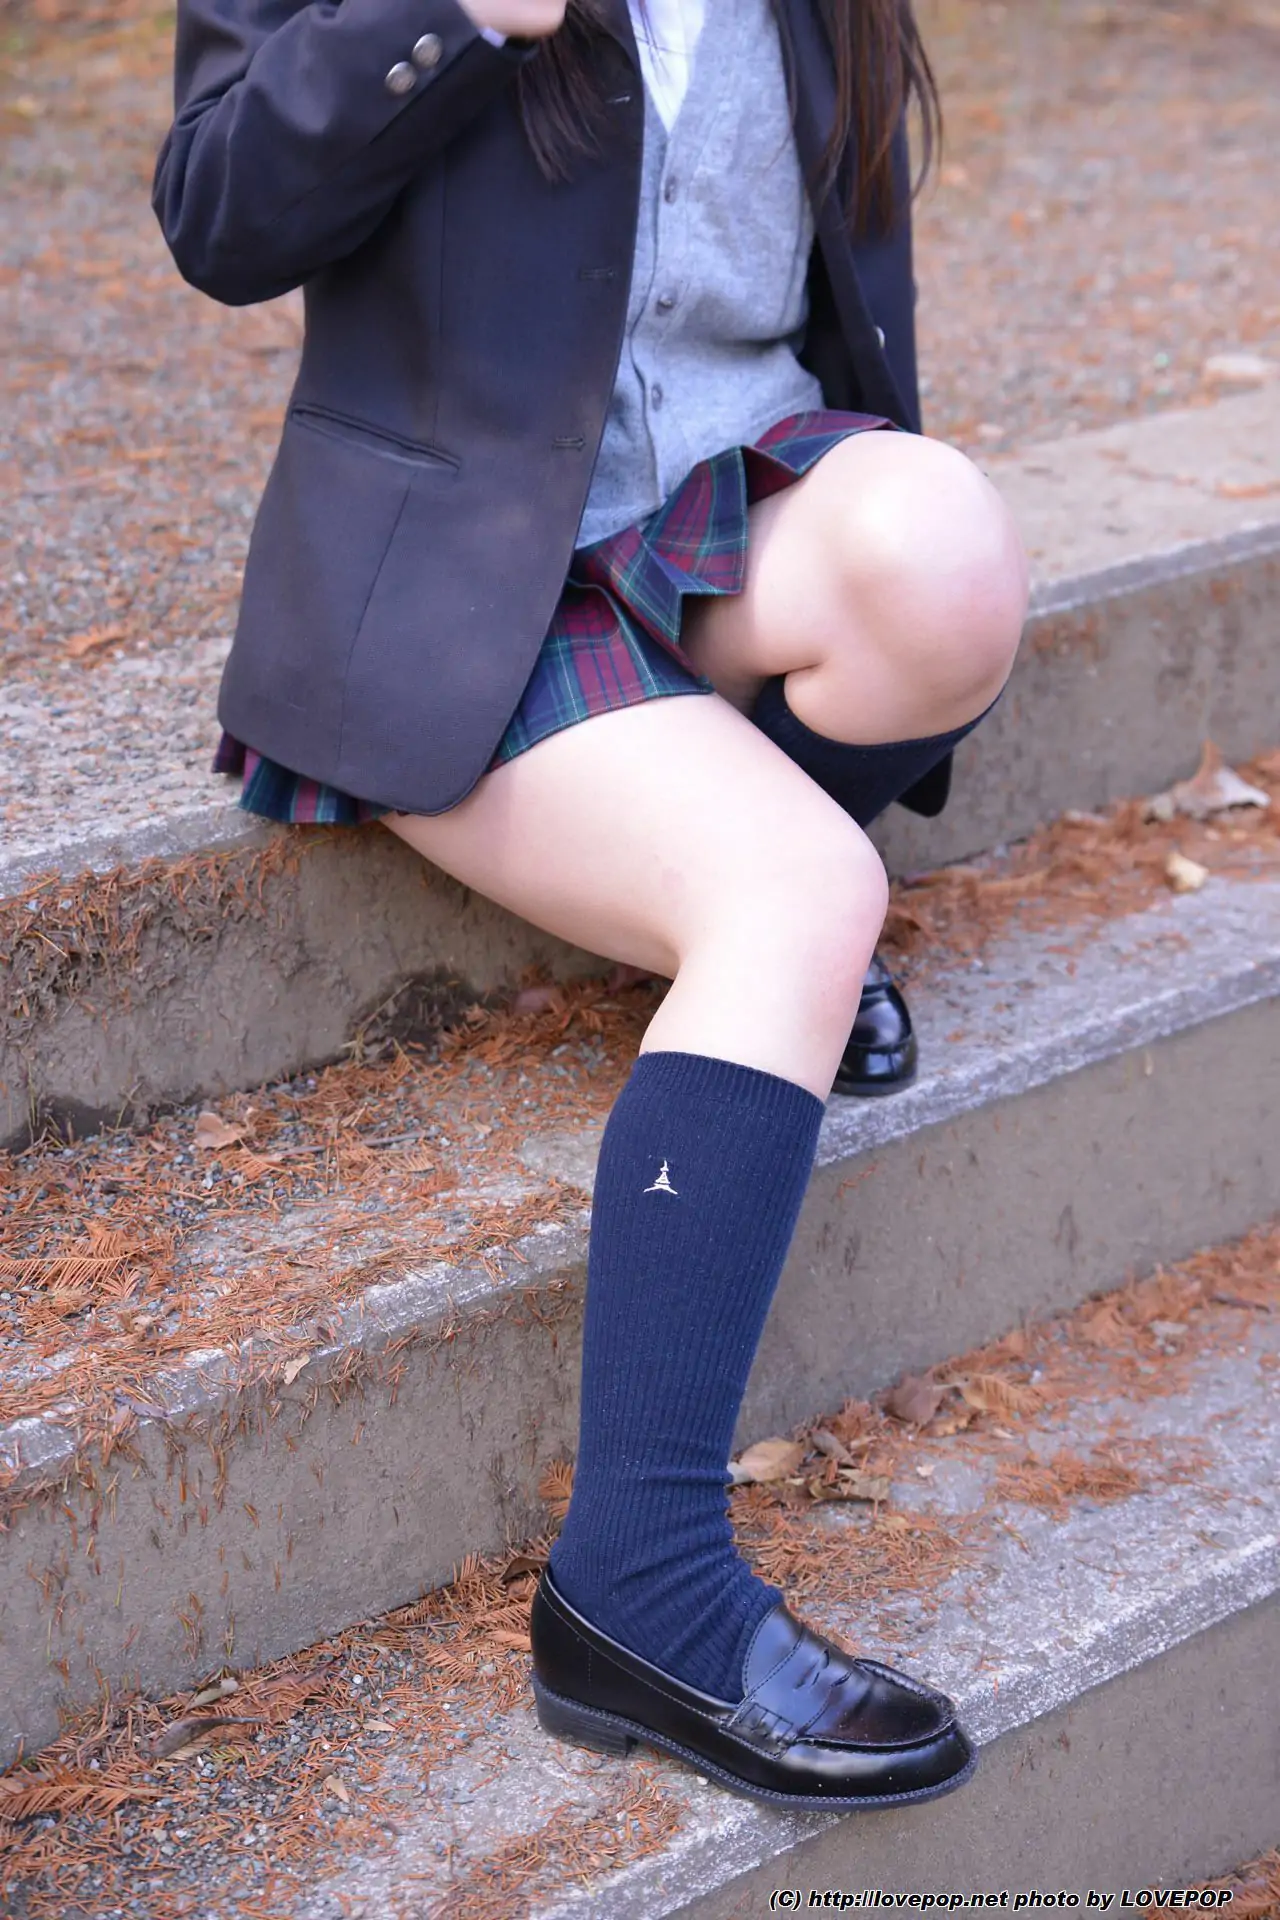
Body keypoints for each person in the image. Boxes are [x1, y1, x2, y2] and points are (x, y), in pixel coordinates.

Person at [154, 0, 1029, 1810]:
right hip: (465, 568)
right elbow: (218, 212)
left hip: (724, 506)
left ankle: (727, 915)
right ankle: (636, 1581)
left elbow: (847, 284)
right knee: (804, 889)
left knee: (946, 552)